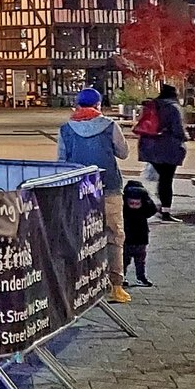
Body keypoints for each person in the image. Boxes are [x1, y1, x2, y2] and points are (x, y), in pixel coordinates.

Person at [58, 86, 131, 303]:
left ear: (77, 105)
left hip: (78, 190)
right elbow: (124, 153)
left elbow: (61, 162)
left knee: (81, 235)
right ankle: (116, 285)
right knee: (114, 234)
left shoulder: (66, 129)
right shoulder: (110, 126)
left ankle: (83, 283)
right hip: (108, 186)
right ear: (99, 105)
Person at [135, 82, 189, 220]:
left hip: (148, 147)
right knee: (166, 180)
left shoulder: (151, 105)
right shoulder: (173, 108)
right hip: (168, 148)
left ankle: (160, 205)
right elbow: (178, 130)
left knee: (162, 177)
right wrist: (186, 137)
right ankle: (165, 211)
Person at [122, 178, 158, 285]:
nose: (134, 205)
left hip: (128, 238)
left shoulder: (124, 208)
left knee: (125, 260)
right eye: (131, 203)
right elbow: (152, 210)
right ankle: (140, 277)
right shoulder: (144, 208)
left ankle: (123, 277)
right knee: (139, 261)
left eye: (136, 203)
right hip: (139, 238)